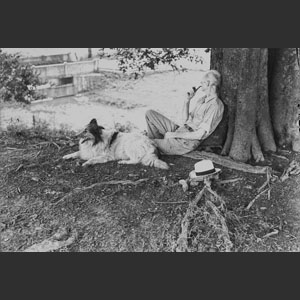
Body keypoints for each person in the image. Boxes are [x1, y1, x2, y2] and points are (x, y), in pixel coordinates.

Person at [145, 70, 224, 155]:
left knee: (146, 142)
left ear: (209, 84)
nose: (200, 85)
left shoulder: (215, 106)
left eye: (203, 83)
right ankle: (159, 146)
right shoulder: (202, 100)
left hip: (185, 142)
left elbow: (199, 135)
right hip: (181, 130)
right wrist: (187, 101)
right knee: (149, 114)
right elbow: (184, 120)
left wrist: (174, 135)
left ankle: (158, 146)